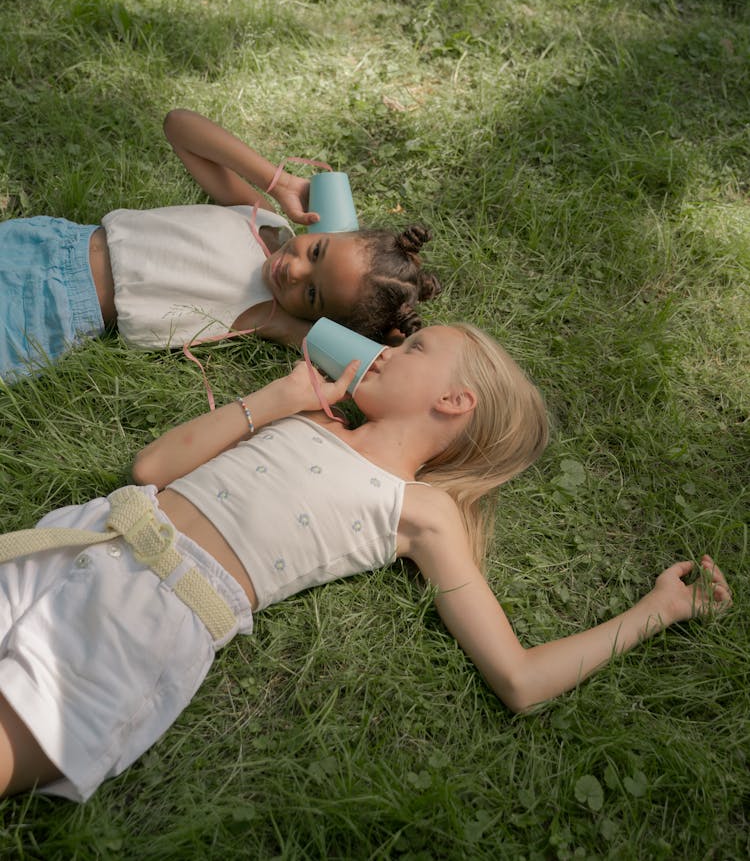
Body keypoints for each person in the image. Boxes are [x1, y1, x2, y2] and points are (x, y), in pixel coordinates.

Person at [0, 322, 731, 800]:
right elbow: (152, 465)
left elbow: (520, 678)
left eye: (412, 348)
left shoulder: (420, 510)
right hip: (83, 534)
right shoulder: (311, 413)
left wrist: (658, 610)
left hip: (151, 613)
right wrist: (278, 395)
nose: (384, 347)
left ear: (453, 399)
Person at [0, 108, 441, 382]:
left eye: (312, 294)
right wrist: (279, 181)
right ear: (326, 229)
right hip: (54, 240)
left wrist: (385, 335)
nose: (294, 270)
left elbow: (363, 367)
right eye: (316, 252)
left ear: (316, 318)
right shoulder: (259, 216)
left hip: (51, 313)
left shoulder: (265, 314)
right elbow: (180, 126)